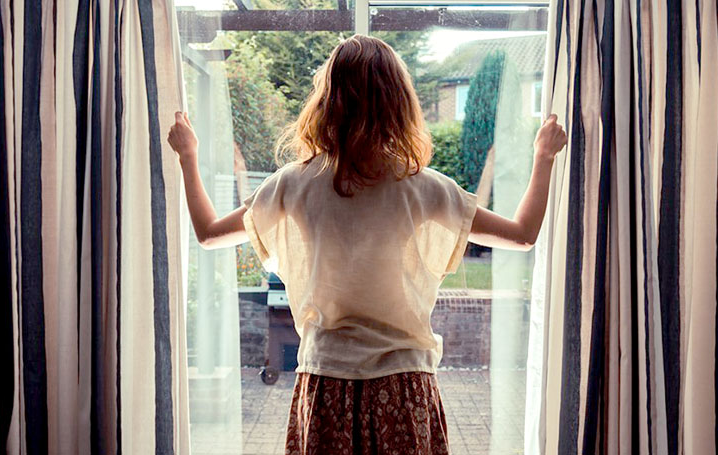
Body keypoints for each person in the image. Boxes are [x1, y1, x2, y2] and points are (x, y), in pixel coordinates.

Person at [167, 34, 566, 455]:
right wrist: (543, 158)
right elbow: (522, 234)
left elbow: (209, 233)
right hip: (404, 386)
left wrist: (188, 157)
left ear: (328, 100)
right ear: (398, 101)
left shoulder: (293, 183)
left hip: (326, 383)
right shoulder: (423, 187)